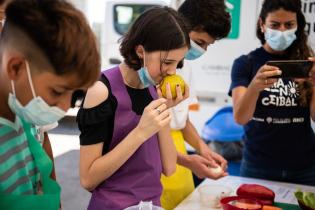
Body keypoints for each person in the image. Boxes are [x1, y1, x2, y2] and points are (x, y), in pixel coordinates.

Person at [77, 6, 190, 210]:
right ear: (140, 51)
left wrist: (165, 106)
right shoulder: (101, 91)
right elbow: (88, 179)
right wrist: (140, 132)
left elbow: (169, 167)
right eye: (167, 62)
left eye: (178, 63)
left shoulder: (154, 90)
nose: (172, 71)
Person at [0, 0, 100, 209]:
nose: (64, 108)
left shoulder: (25, 111)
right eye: (57, 91)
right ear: (16, 67)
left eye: (74, 96)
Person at [229, 0, 315, 186]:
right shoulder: (246, 63)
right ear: (262, 24)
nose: (282, 31)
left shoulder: (307, 62)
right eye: (275, 25)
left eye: (289, 25)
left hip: (305, 166)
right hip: (258, 165)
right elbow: (241, 117)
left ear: (298, 25)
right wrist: (254, 87)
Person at [159, 0, 231, 209]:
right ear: (181, 27)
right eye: (200, 42)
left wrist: (202, 149)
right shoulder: (153, 67)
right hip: (155, 161)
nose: (203, 50)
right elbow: (142, 133)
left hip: (180, 160)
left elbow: (182, 120)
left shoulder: (186, 66)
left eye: (208, 45)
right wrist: (186, 161)